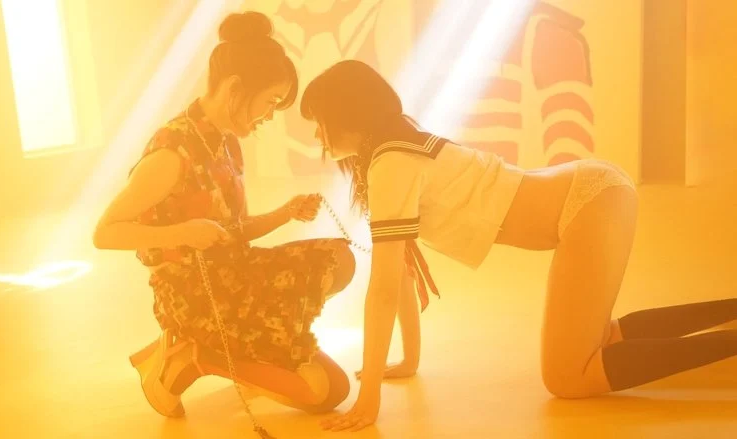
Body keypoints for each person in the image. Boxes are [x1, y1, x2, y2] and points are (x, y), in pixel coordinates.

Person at [299, 59, 737, 432]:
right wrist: (407, 361)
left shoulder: (391, 164)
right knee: (597, 339)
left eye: (320, 122)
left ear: (348, 114)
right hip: (592, 191)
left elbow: (383, 288)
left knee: (568, 376)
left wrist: (369, 398)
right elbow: (399, 273)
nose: (318, 136)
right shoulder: (397, 150)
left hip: (588, 204)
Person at [92, 12, 356, 421]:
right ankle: (195, 354)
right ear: (234, 89)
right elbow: (105, 233)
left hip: (235, 276)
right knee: (327, 390)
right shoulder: (171, 153)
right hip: (194, 297)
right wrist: (183, 232)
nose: (270, 114)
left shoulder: (227, 144)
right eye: (271, 101)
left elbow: (233, 232)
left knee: (339, 258)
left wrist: (285, 213)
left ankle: (234, 350)